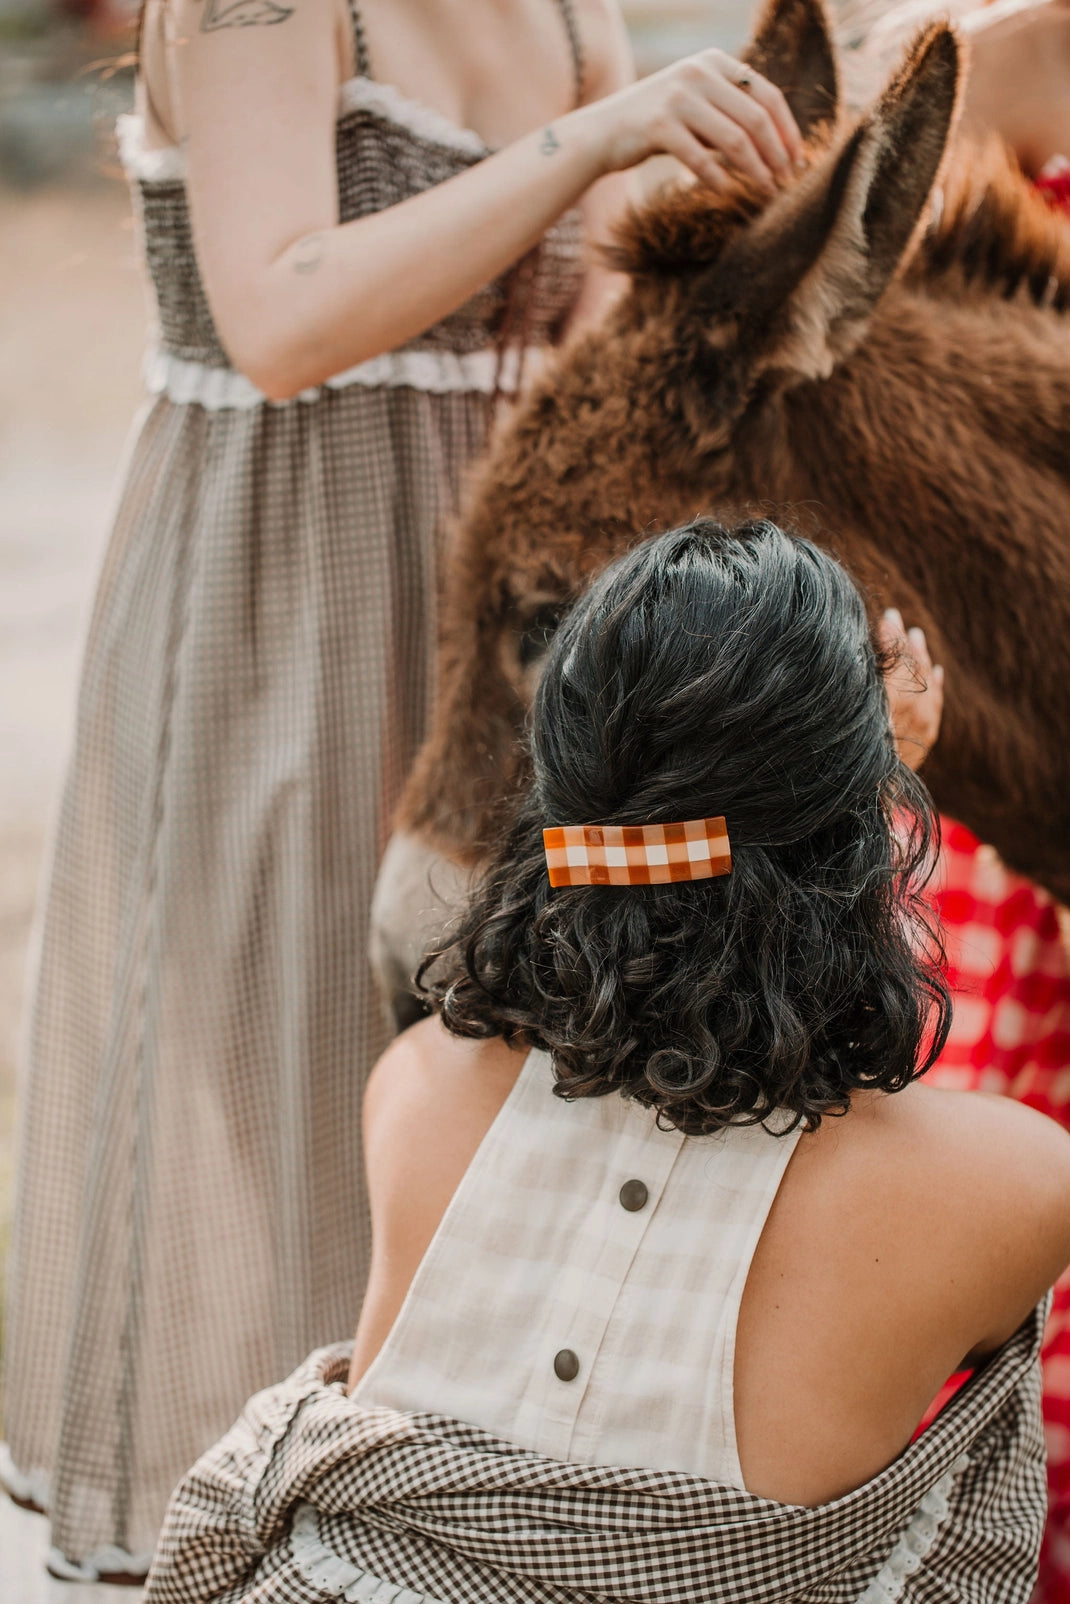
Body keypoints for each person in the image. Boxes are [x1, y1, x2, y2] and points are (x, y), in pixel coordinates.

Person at [0, 0, 807, 1581]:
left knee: (494, 1082)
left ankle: (435, 1530)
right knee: (290, 1069)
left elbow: (596, 349)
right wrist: (594, 139)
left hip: (501, 625)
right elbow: (277, 315)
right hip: (285, 587)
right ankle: (253, 1531)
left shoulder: (564, 13)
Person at [147, 520, 1070, 1604]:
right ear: (859, 840)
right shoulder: (1011, 1185)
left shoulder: (418, 1086)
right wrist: (859, 792)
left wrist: (833, 791)